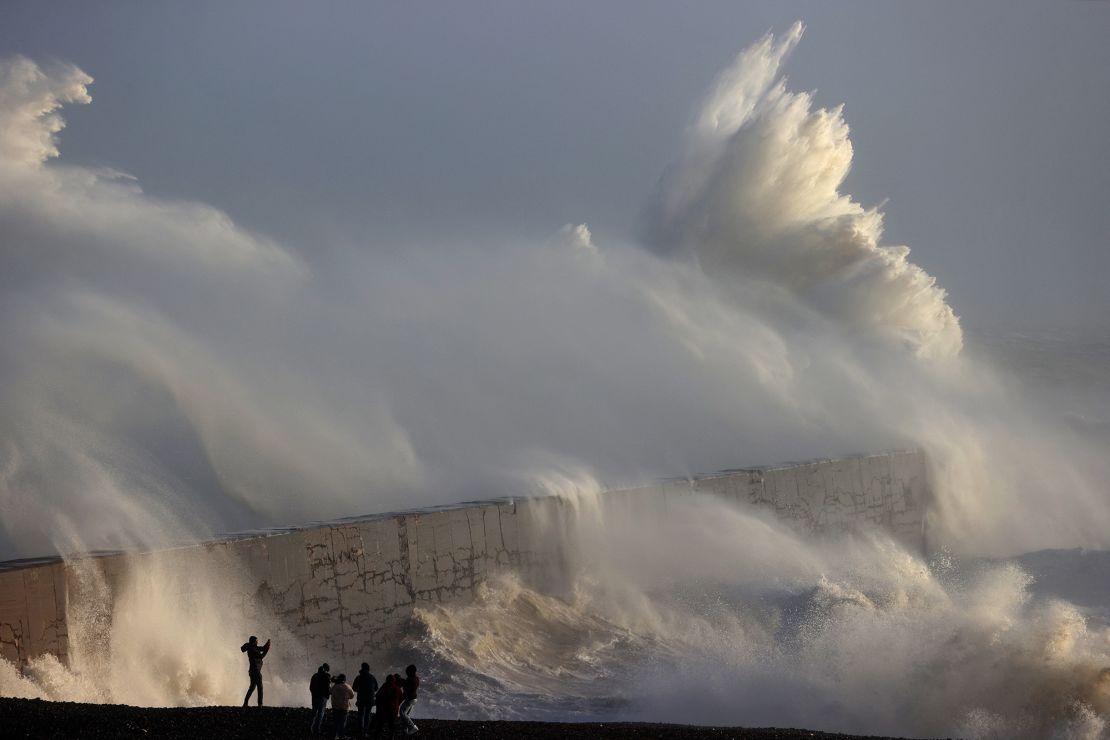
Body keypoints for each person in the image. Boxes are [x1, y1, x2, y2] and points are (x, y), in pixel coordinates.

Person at [367, 673, 402, 739]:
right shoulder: (397, 689)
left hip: (384, 710)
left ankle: (374, 734)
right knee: (391, 726)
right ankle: (391, 738)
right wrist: (396, 704)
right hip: (393, 711)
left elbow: (378, 696)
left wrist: (378, 705)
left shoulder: (384, 687)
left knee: (380, 725)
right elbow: (401, 698)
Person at [240, 635, 271, 707]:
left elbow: (262, 648)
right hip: (256, 671)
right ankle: (260, 704)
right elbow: (261, 656)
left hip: (252, 671)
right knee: (260, 687)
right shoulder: (252, 649)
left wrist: (267, 644)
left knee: (252, 687)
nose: (258, 642)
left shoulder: (252, 647)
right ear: (254, 642)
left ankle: (245, 703)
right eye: (257, 641)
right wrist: (267, 650)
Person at [351, 662, 378, 737]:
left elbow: (354, 688)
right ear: (368, 669)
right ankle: (365, 731)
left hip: (361, 699)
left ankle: (360, 731)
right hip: (370, 700)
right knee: (367, 715)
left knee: (361, 714)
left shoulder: (359, 677)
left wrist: (360, 690)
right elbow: (376, 688)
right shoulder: (372, 677)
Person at [331, 673, 355, 740]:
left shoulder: (335, 686)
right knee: (342, 722)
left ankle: (334, 736)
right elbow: (352, 696)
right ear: (344, 680)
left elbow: (330, 692)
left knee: (335, 722)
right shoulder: (347, 686)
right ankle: (341, 736)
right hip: (344, 707)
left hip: (335, 707)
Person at [309, 663, 332, 734]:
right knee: (320, 713)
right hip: (322, 698)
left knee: (314, 713)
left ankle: (310, 728)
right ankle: (317, 729)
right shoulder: (326, 676)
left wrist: (313, 694)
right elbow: (328, 688)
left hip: (314, 697)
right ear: (326, 670)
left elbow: (311, 687)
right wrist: (327, 696)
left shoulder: (314, 676)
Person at [399, 665, 420, 735]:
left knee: (402, 712)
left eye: (407, 671)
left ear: (411, 671)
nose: (406, 673)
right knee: (406, 714)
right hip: (414, 698)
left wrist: (403, 682)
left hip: (410, 699)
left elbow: (407, 688)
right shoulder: (416, 678)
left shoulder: (410, 679)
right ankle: (405, 730)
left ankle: (412, 727)